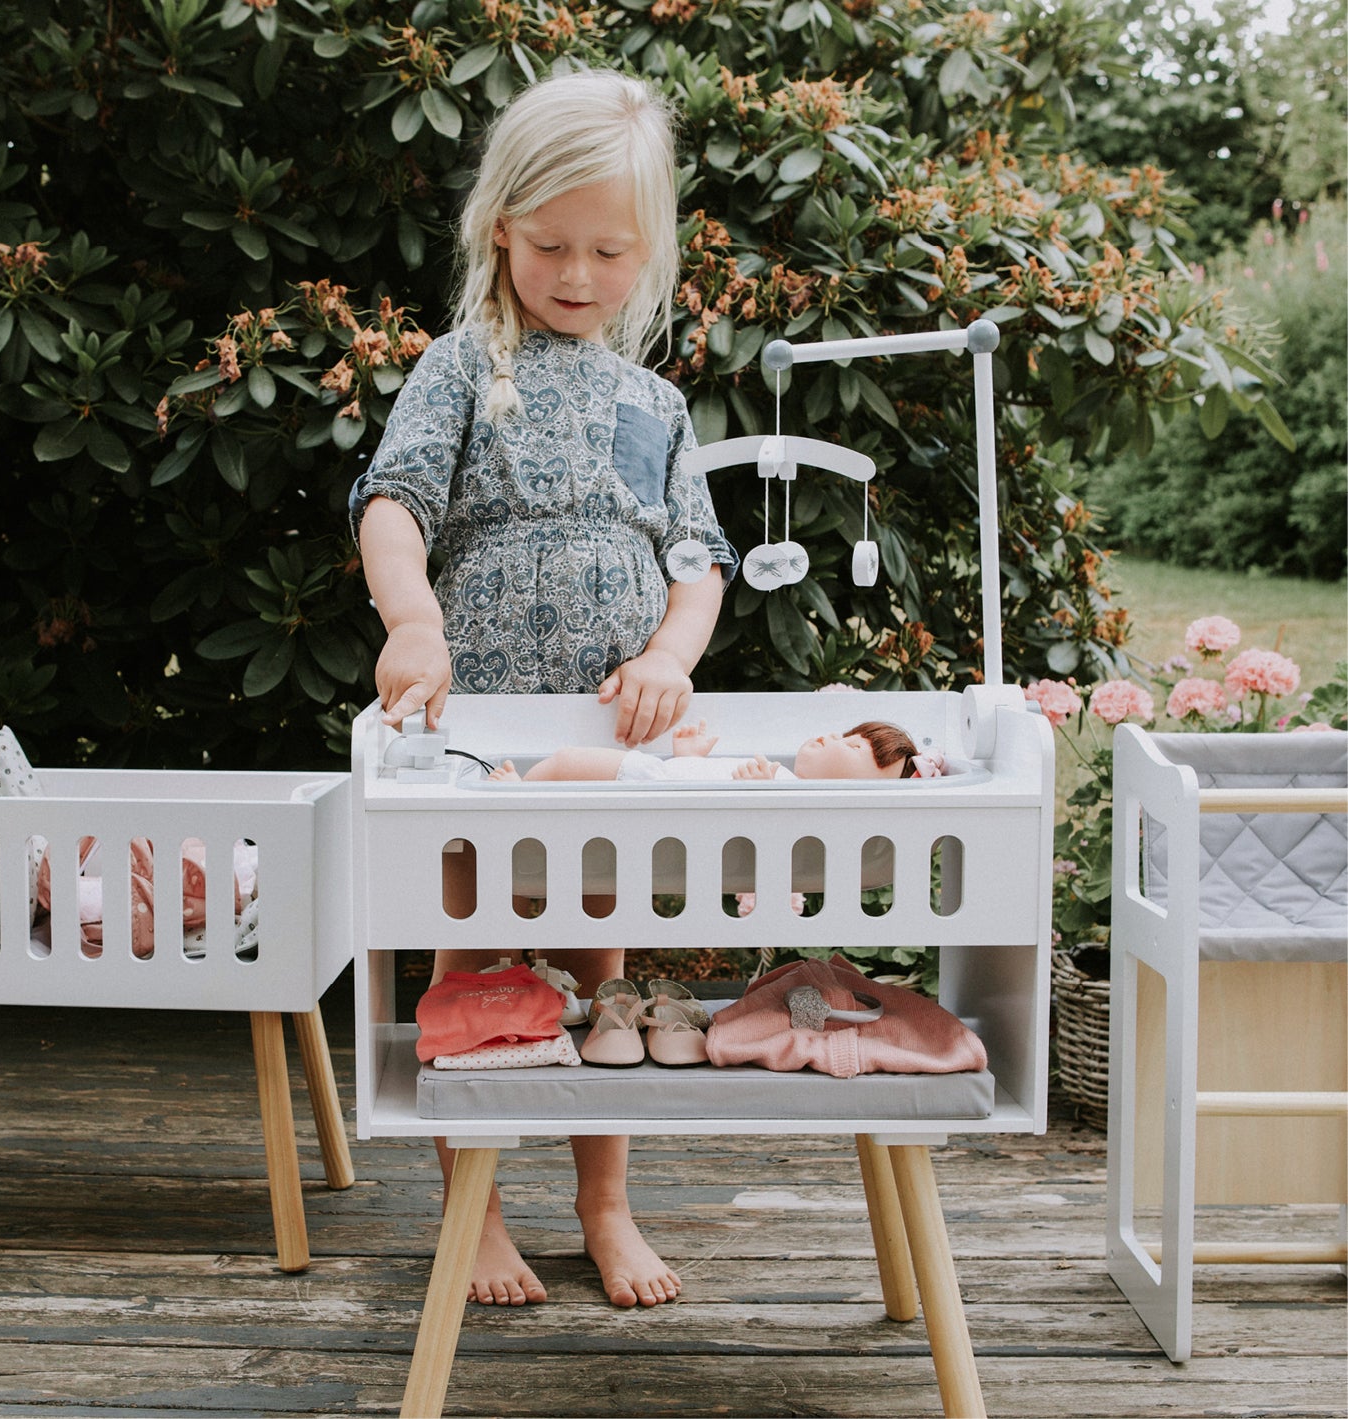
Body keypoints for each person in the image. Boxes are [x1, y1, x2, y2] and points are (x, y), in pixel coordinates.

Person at [349, 68, 736, 1310]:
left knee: (599, 969)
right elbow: (395, 502)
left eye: (609, 251)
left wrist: (671, 658)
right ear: (500, 227)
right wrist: (412, 619)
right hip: (482, 737)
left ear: (650, 251)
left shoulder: (657, 403)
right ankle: (479, 1210)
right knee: (475, 973)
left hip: (604, 738)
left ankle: (606, 1199)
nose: (577, 273)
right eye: (552, 245)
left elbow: (699, 562)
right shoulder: (462, 367)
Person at [487, 717, 944, 783]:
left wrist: (760, 795)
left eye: (852, 747)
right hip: (660, 778)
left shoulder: (790, 792)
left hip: (651, 784)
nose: (832, 737)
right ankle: (524, 792)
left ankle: (520, 795)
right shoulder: (780, 777)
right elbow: (705, 784)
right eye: (845, 733)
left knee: (567, 761)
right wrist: (690, 757)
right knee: (567, 763)